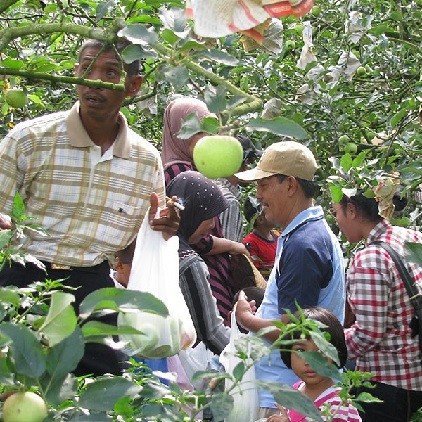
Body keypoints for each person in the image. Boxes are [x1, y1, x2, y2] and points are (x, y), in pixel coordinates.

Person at [0, 38, 179, 376]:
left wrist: (161, 228)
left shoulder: (145, 161)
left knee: (97, 390)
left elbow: (129, 253)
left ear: (133, 86)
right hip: (23, 280)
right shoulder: (29, 140)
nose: (92, 82)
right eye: (86, 68)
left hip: (92, 287)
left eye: (109, 72)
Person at [234, 140, 346, 418]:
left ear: (290, 185)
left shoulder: (303, 245)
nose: (258, 195)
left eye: (263, 185)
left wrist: (247, 319)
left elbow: (295, 331)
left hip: (285, 395)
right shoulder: (305, 234)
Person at [331, 173, 422, 422]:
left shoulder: (369, 259)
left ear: (351, 210)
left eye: (336, 212)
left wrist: (326, 344)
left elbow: (369, 333)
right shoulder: (410, 237)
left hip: (387, 384)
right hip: (414, 374)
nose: (336, 221)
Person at [161, 97, 247, 324]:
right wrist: (232, 245)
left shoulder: (190, 168)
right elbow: (193, 236)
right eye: (194, 132)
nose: (203, 140)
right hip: (198, 270)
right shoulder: (179, 173)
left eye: (205, 131)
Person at [166, 171, 230, 355]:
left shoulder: (158, 245)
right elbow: (211, 333)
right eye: (209, 216)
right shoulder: (188, 262)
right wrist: (247, 363)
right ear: (193, 211)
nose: (212, 225)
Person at [267, 307, 361, 422]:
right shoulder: (295, 391)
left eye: (321, 352)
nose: (310, 361)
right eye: (301, 351)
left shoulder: (339, 406)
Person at [215, 134, 262, 242]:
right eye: (250, 162)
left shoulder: (212, 188)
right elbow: (228, 251)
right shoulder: (229, 201)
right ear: (243, 163)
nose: (251, 168)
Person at [242, 195, 280, 279]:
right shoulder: (250, 243)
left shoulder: (278, 235)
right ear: (260, 219)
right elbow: (255, 275)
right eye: (270, 210)